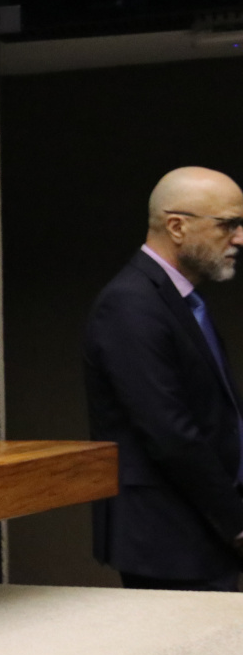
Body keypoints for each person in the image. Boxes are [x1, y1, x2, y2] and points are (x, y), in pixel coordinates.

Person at [84, 166, 243, 590]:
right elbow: (169, 432)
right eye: (228, 224)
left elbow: (213, 415)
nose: (239, 238)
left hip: (200, 531)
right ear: (177, 227)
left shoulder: (179, 300)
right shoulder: (130, 304)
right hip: (168, 541)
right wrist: (236, 522)